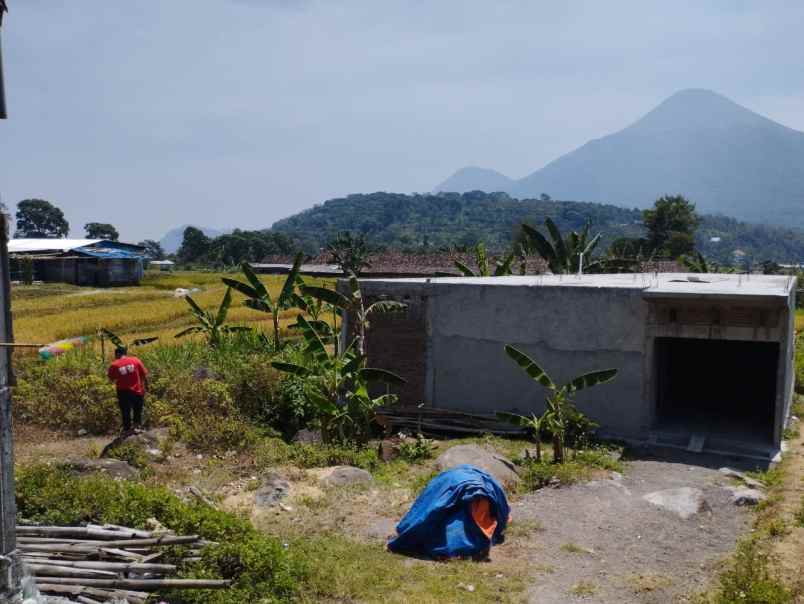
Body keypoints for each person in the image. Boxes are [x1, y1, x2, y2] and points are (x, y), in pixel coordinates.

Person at [107, 346, 148, 434]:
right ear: (125, 353)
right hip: (137, 389)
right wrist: (145, 387)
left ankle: (127, 430)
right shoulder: (136, 360)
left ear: (117, 354)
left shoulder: (114, 365)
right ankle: (137, 427)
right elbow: (144, 374)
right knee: (137, 410)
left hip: (123, 392)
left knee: (125, 411)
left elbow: (111, 378)